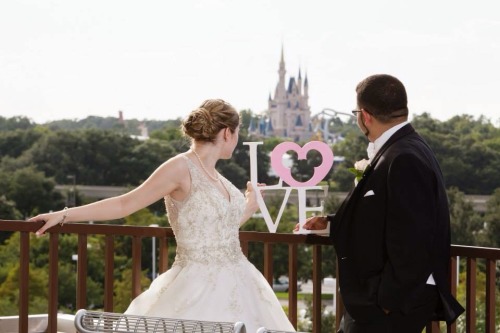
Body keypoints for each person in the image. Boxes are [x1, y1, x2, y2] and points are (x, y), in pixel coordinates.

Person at [29, 99, 295, 333]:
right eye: (237, 133)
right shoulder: (181, 167)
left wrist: (249, 206)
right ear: (227, 133)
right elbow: (125, 203)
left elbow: (221, 229)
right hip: (196, 286)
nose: (236, 139)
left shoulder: (219, 178)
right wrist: (63, 215)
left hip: (242, 281)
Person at [299, 75, 464, 332]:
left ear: (365, 116)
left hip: (390, 307)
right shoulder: (404, 147)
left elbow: (413, 239)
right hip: (380, 303)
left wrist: (386, 300)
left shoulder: (404, 157)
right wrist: (332, 223)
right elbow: (385, 217)